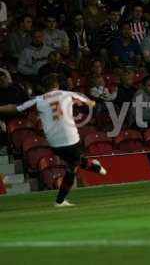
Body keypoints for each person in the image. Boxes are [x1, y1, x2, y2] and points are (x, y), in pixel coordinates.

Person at [0, 74, 107, 207]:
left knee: (73, 162)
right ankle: (60, 200)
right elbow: (90, 102)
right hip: (70, 138)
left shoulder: (38, 99)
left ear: (44, 87)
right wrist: (86, 103)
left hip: (54, 143)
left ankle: (93, 167)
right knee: (72, 167)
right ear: (57, 85)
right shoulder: (67, 94)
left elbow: (15, 107)